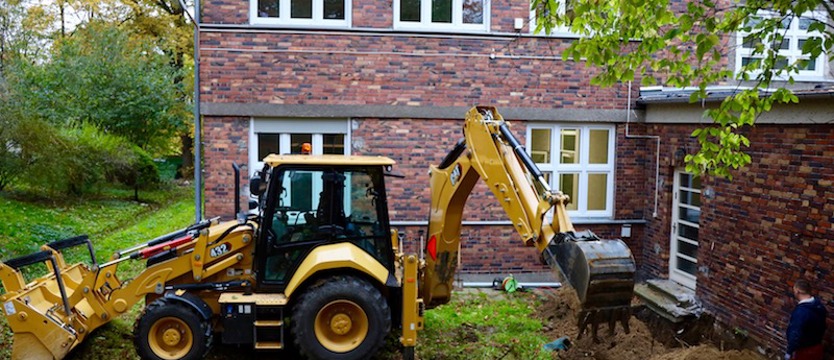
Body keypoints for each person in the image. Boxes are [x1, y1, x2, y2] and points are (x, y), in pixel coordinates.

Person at [785, 278, 828, 360]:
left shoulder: (801, 312)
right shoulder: (819, 306)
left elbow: (795, 334)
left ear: (797, 291)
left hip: (804, 351)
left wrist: (789, 352)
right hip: (817, 348)